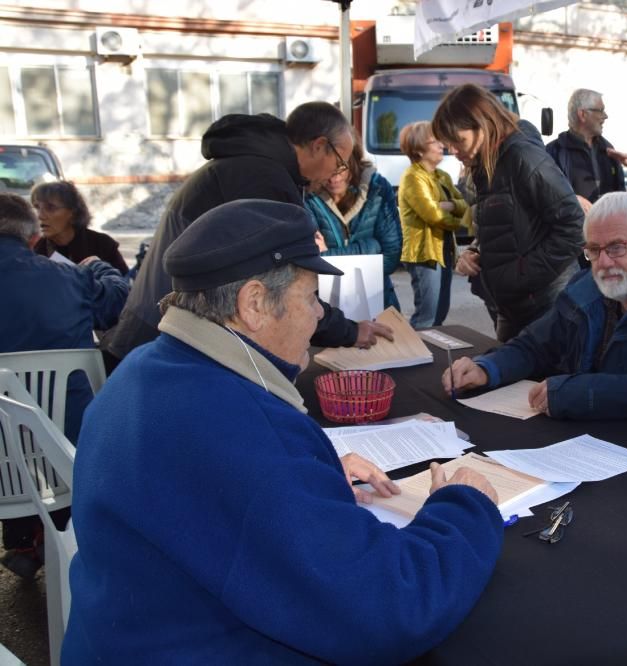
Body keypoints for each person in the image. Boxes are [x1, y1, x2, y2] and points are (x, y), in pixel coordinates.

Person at [63, 199, 503, 663]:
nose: (319, 315)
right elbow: (392, 609)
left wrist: (307, 484)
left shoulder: (139, 371)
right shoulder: (246, 426)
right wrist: (465, 507)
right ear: (253, 304)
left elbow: (210, 498)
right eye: (311, 296)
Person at [101, 102, 388, 367]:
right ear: (319, 146)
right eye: (339, 162)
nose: (335, 175)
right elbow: (286, 287)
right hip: (166, 340)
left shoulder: (253, 165)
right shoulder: (264, 179)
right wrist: (347, 331)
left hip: (159, 331)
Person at [443, 192, 627, 420]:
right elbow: (536, 344)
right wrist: (487, 369)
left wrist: (577, 393)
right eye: (594, 250)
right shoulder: (585, 287)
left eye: (616, 247)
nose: (604, 262)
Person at [0, 193, 127, 579]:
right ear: (34, 239)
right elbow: (117, 304)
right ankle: (60, 537)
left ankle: (23, 541)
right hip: (62, 457)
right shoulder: (71, 278)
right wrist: (101, 270)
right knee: (61, 420)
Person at [432, 83, 584, 343]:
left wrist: (521, 274)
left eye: (458, 141)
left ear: (483, 125)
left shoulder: (523, 156)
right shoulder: (485, 163)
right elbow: (507, 227)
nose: (453, 151)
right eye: (448, 144)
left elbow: (574, 226)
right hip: (513, 306)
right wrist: (477, 252)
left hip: (545, 306)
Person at [305, 135, 402, 311]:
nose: (334, 178)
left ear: (354, 161)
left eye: (341, 167)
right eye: (327, 170)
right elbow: (309, 262)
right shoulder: (306, 195)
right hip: (326, 312)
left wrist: (329, 255)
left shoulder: (378, 188)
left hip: (380, 305)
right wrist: (373, 246)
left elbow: (391, 258)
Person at [397, 121, 467, 329]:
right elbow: (433, 215)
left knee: (440, 313)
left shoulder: (442, 176)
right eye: (435, 141)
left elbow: (464, 206)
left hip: (444, 250)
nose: (442, 146)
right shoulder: (412, 177)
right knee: (426, 317)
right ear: (418, 149)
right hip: (424, 254)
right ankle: (415, 355)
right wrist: (456, 217)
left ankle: (431, 355)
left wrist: (448, 204)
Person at [545, 89, 625, 213]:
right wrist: (572, 199)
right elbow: (544, 196)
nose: (605, 116)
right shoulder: (553, 152)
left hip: (605, 228)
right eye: (601, 111)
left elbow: (621, 195)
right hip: (572, 231)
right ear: (582, 114)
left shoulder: (608, 149)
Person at [30, 181, 129, 274]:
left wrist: (100, 269)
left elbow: (126, 285)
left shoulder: (102, 245)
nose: (40, 215)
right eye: (37, 207)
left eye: (50, 208)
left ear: (73, 213)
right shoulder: (35, 249)